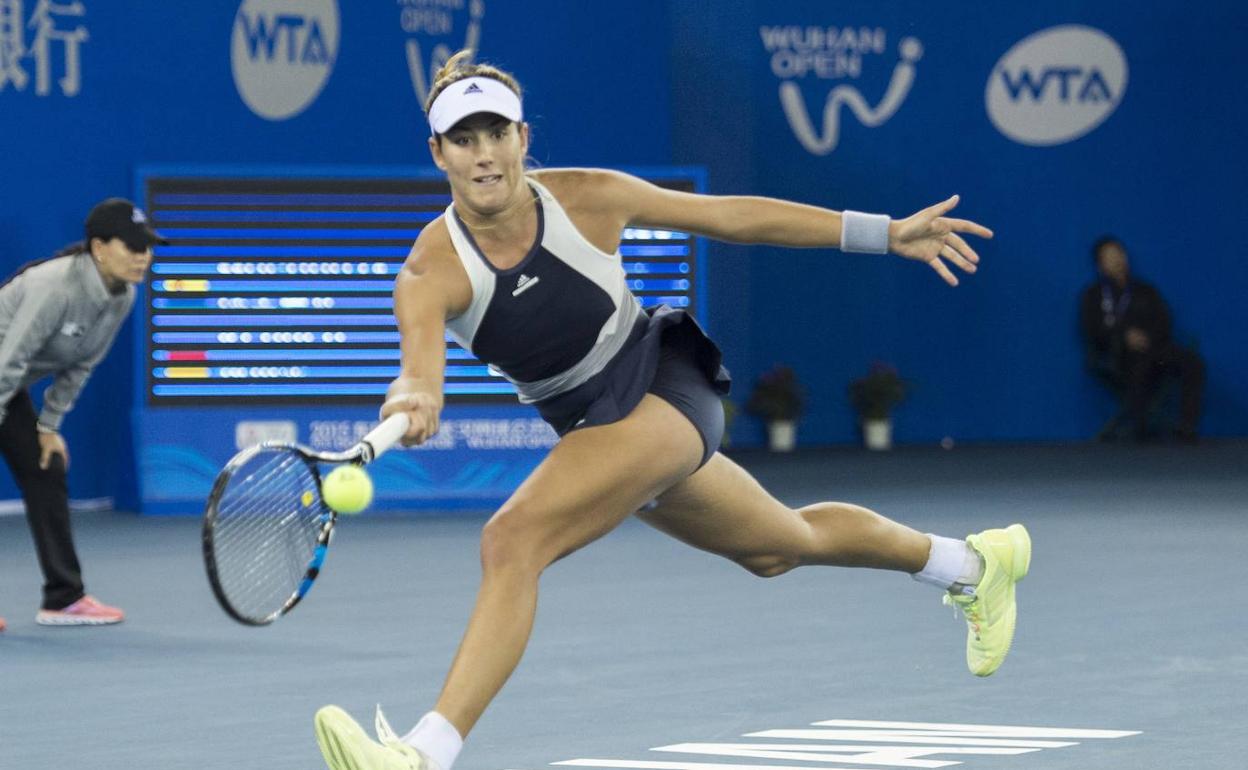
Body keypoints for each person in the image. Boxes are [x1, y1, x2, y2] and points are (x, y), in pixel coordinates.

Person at [313, 52, 1029, 770]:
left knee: (512, 542)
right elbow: (420, 375)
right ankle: (972, 565)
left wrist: (883, 231)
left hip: (663, 385)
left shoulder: (588, 197)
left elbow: (730, 218)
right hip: (594, 425)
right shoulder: (429, 270)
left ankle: (424, 754)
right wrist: (412, 399)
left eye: (496, 133)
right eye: (464, 140)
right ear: (438, 153)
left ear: (523, 138)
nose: (485, 155)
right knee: (778, 546)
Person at [0, 197, 165, 631]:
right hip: (3, 373)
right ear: (98, 248)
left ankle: (64, 598)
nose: (142, 256)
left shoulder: (122, 297)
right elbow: (10, 360)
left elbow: (81, 365)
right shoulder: (52, 287)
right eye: (131, 246)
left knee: (45, 467)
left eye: (146, 246)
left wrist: (48, 427)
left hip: (7, 384)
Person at [1079, 236, 1205, 441]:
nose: (1117, 260)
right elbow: (1092, 329)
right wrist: (1124, 336)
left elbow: (1164, 321)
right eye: (1110, 257)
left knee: (1194, 363)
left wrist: (1148, 338)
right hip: (1120, 354)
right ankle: (1140, 427)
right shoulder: (1093, 295)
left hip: (1156, 348)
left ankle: (1186, 426)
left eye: (1119, 254)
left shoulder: (1146, 291)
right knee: (1139, 365)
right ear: (1100, 266)